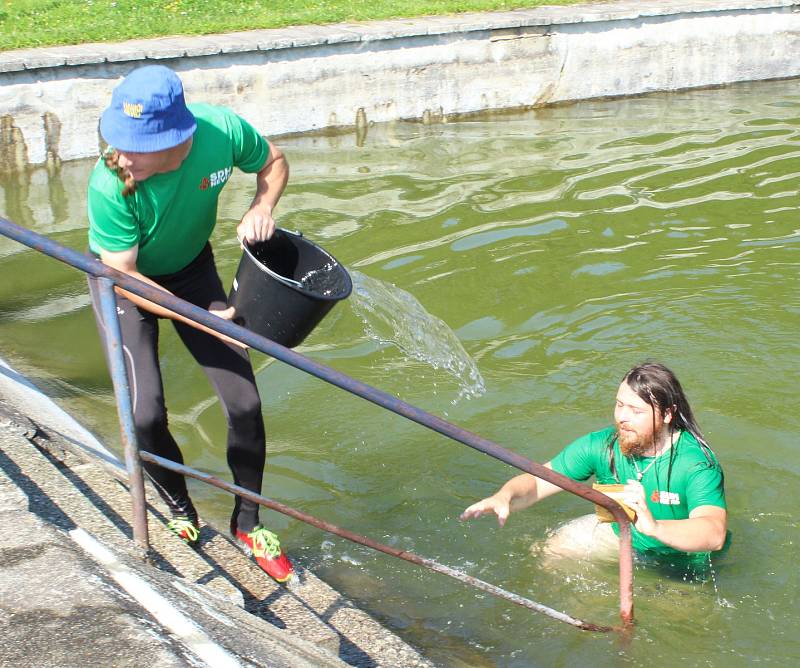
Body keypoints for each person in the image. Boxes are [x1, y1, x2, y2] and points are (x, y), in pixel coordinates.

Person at [86, 65, 293, 582]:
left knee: (245, 403)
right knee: (146, 414)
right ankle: (180, 508)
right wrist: (202, 317)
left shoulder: (221, 131)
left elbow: (273, 162)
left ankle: (248, 525)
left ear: (179, 137)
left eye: (138, 145)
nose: (122, 156)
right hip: (123, 283)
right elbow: (127, 275)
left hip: (192, 269)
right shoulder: (110, 183)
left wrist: (261, 205)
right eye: (119, 140)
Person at [460, 362, 727, 563]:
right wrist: (504, 497)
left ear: (668, 415)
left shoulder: (696, 464)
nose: (622, 417)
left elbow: (714, 533)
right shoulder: (601, 446)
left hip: (684, 556)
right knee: (550, 551)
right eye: (619, 405)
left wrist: (654, 527)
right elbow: (538, 481)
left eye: (636, 411)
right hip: (621, 535)